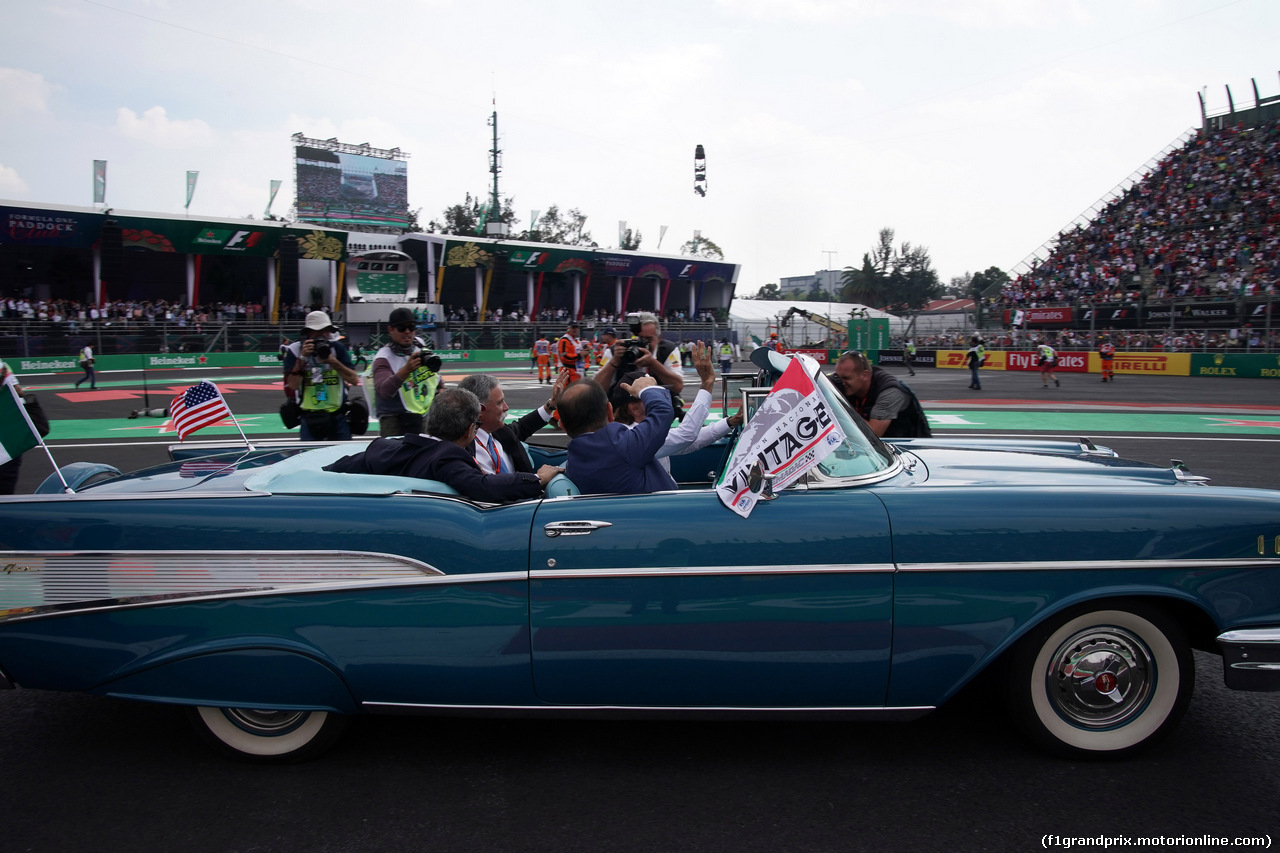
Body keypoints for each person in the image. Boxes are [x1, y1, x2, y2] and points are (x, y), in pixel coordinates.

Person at [324, 388, 559, 503]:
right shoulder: (447, 457)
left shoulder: (385, 447)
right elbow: (482, 486)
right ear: (470, 430)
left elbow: (339, 466)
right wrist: (537, 479)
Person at [612, 342, 742, 473]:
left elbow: (689, 442)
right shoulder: (632, 436)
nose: (659, 400)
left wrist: (731, 422)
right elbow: (686, 435)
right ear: (634, 408)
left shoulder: (635, 432)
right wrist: (707, 383)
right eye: (650, 396)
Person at [560, 376, 677, 495]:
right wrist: (648, 389)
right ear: (610, 412)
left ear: (562, 426)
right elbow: (663, 412)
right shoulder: (623, 445)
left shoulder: (573, 462)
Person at [458, 372, 565, 475]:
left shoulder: (501, 432)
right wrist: (538, 479)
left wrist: (551, 405)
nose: (506, 407)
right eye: (499, 403)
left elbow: (522, 426)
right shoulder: (462, 450)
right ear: (480, 410)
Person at [283, 310, 361, 440]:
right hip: (309, 416)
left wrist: (333, 362)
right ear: (308, 333)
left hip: (338, 415)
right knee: (310, 458)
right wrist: (302, 359)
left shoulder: (336, 348)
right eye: (319, 332)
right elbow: (292, 385)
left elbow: (354, 379)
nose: (324, 335)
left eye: (327, 330)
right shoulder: (295, 350)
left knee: (344, 458)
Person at [372, 307, 442, 437]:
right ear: (390, 330)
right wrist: (406, 370)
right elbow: (383, 391)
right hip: (394, 417)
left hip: (420, 412)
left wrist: (441, 387)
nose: (407, 332)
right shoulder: (383, 358)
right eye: (401, 328)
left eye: (411, 327)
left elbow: (433, 373)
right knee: (395, 453)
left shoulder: (419, 345)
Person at [832, 350, 932, 438]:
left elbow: (873, 434)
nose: (841, 383)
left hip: (910, 448)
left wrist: (837, 405)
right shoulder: (851, 386)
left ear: (865, 375)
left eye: (846, 378)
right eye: (838, 377)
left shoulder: (889, 392)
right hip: (883, 448)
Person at [593, 311, 685, 400]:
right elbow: (596, 390)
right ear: (632, 337)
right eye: (640, 339)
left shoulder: (668, 350)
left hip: (658, 406)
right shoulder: (615, 351)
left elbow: (677, 386)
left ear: (658, 339)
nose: (644, 344)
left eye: (649, 339)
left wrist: (653, 364)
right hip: (622, 409)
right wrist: (614, 361)